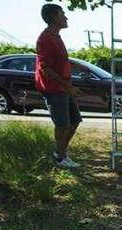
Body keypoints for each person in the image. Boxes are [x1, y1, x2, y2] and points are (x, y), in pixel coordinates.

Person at [35, 3, 82, 169]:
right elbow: (46, 69)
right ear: (55, 17)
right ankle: (61, 158)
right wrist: (68, 87)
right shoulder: (45, 39)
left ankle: (59, 152)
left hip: (64, 87)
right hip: (54, 89)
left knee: (74, 121)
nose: (66, 17)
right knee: (62, 125)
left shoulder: (57, 37)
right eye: (63, 13)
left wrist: (82, 67)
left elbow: (62, 62)